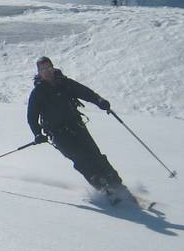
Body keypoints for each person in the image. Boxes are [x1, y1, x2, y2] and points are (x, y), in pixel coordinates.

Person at [27, 56, 123, 194]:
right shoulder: (38, 93)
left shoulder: (65, 83)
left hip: (76, 126)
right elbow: (31, 117)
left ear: (53, 68)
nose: (47, 71)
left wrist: (99, 100)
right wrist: (37, 134)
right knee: (80, 159)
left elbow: (85, 92)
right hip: (58, 134)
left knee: (94, 154)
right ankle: (101, 186)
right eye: (43, 69)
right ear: (39, 72)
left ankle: (115, 183)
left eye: (48, 68)